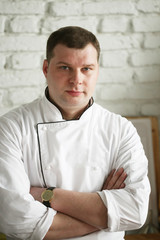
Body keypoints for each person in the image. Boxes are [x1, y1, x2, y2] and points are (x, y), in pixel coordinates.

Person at [0, 26, 150, 240]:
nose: (76, 79)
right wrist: (109, 216)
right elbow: (15, 220)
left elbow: (135, 211)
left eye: (87, 68)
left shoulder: (120, 130)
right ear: (45, 68)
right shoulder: (11, 128)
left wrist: (47, 195)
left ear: (97, 70)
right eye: (64, 67)